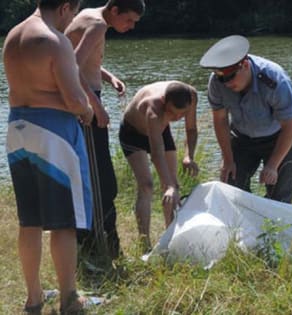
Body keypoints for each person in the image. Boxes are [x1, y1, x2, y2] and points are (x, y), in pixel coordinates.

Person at [3, 0, 95, 313]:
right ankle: (69, 297)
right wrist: (88, 108)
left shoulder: (13, 35)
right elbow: (72, 99)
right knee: (63, 222)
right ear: (66, 6)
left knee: (30, 221)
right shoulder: (55, 40)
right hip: (52, 132)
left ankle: (33, 299)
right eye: (73, 12)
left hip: (17, 127)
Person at [64, 0, 145, 259]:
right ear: (114, 11)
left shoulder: (89, 14)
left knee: (93, 175)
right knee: (102, 181)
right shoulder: (98, 25)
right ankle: (105, 247)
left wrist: (108, 77)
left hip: (80, 101)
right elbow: (72, 67)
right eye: (129, 20)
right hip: (83, 107)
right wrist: (96, 106)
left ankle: (92, 245)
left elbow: (80, 58)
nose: (131, 27)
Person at [200, 35, 292, 204]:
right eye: (221, 78)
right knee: (230, 184)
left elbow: (290, 127)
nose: (226, 84)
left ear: (245, 65)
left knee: (278, 194)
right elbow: (220, 121)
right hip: (242, 136)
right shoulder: (217, 83)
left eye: (230, 77)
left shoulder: (274, 80)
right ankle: (240, 228)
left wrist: (272, 165)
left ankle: (275, 229)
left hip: (279, 135)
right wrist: (228, 159)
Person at [119, 81, 199, 248]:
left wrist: (188, 156)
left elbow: (191, 129)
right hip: (133, 133)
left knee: (174, 187)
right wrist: (167, 184)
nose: (176, 118)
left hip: (161, 130)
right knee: (146, 185)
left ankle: (171, 238)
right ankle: (145, 243)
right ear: (164, 101)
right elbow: (157, 152)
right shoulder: (153, 107)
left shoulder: (191, 96)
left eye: (181, 115)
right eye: (172, 113)